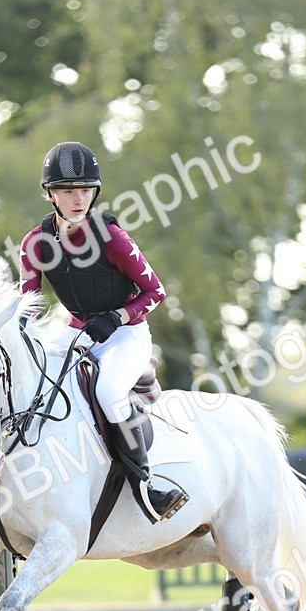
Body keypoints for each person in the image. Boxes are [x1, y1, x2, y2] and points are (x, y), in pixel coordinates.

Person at [19, 140, 188, 523]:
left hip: (125, 335)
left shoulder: (112, 237)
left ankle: (146, 486)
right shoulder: (34, 244)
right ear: (50, 195)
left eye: (84, 191)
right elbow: (26, 309)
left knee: (109, 391)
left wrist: (117, 317)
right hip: (76, 333)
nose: (78, 199)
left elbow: (155, 291)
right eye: (67, 191)